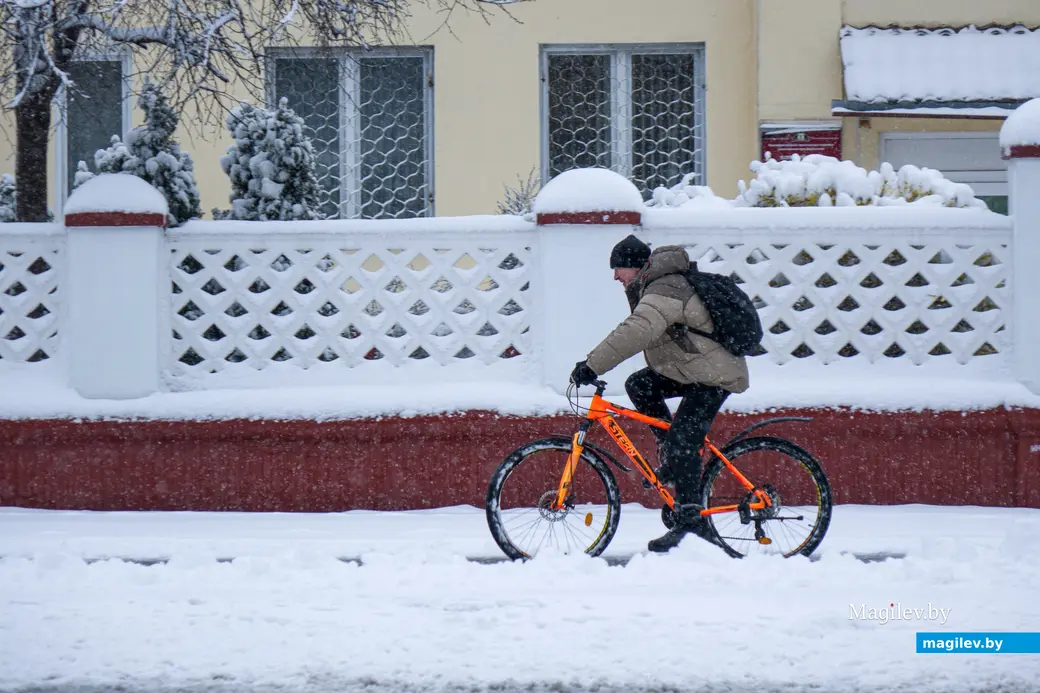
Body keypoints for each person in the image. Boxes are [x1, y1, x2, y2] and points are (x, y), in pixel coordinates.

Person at [569, 234, 750, 553]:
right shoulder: (651, 286)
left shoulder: (665, 288)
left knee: (685, 441)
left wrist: (592, 365)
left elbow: (637, 331)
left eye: (618, 268)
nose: (615, 276)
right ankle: (672, 456)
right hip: (694, 370)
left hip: (714, 376)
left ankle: (690, 517)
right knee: (640, 385)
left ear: (635, 266)